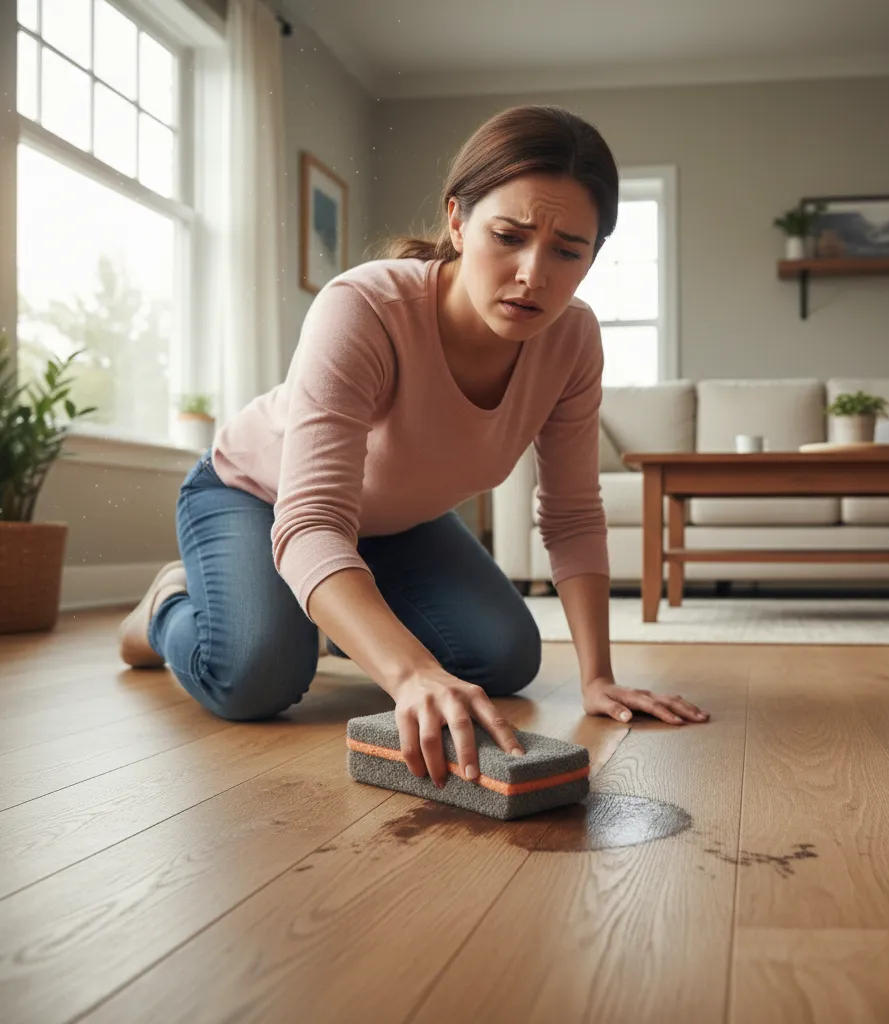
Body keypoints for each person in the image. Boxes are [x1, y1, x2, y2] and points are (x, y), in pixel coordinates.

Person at [118, 104, 709, 789]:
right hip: (259, 496)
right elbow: (310, 522)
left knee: (505, 657)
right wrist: (409, 672)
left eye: (568, 251)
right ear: (457, 221)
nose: (532, 275)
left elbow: (573, 513)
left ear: (593, 255)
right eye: (508, 236)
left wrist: (598, 677)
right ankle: (165, 608)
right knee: (256, 677)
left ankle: (337, 613)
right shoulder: (365, 308)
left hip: (396, 522)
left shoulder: (574, 340)